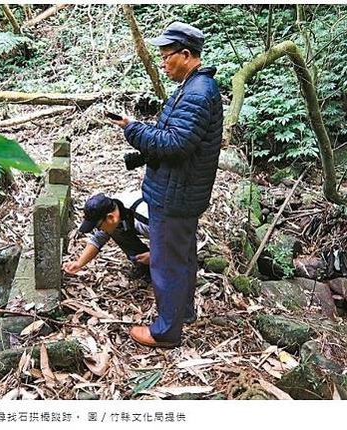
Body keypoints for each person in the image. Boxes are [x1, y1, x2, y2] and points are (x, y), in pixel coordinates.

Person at [109, 22, 224, 348]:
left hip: (175, 195)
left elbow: (175, 144)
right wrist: (141, 142)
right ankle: (181, 313)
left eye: (166, 57)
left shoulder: (197, 93)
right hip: (181, 191)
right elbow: (181, 142)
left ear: (186, 55)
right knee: (182, 256)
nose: (162, 63)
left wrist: (133, 129)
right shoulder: (194, 88)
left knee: (167, 262)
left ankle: (165, 332)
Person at [63, 190, 151, 278]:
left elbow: (165, 240)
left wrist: (154, 257)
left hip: (161, 226)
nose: (99, 230)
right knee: (115, 230)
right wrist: (79, 264)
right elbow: (98, 239)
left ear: (110, 217)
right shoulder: (114, 208)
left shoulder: (146, 220)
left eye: (98, 226)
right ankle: (145, 265)